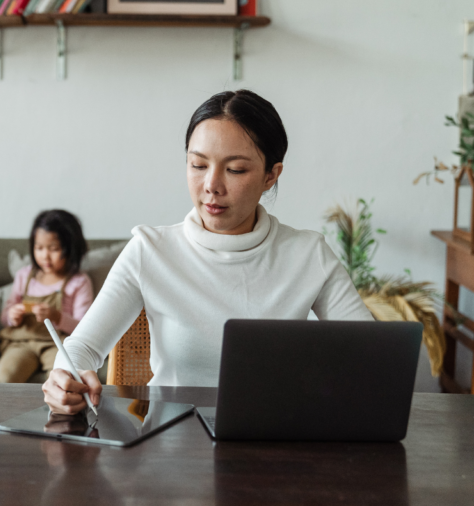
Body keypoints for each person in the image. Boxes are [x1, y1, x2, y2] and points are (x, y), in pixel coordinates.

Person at [42, 89, 374, 414]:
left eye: (236, 170)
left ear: (271, 175)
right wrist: (65, 377)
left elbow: (371, 353)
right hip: (172, 449)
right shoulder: (150, 250)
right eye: (198, 165)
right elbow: (82, 347)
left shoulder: (307, 254)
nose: (212, 185)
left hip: (274, 444)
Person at [0, 210, 94, 383]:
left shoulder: (79, 282)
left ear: (71, 249)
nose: (45, 256)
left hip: (57, 344)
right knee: (4, 378)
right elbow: (5, 317)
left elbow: (84, 329)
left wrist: (57, 316)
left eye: (54, 249)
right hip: (22, 342)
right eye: (39, 248)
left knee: (63, 381)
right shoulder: (24, 275)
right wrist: (12, 316)